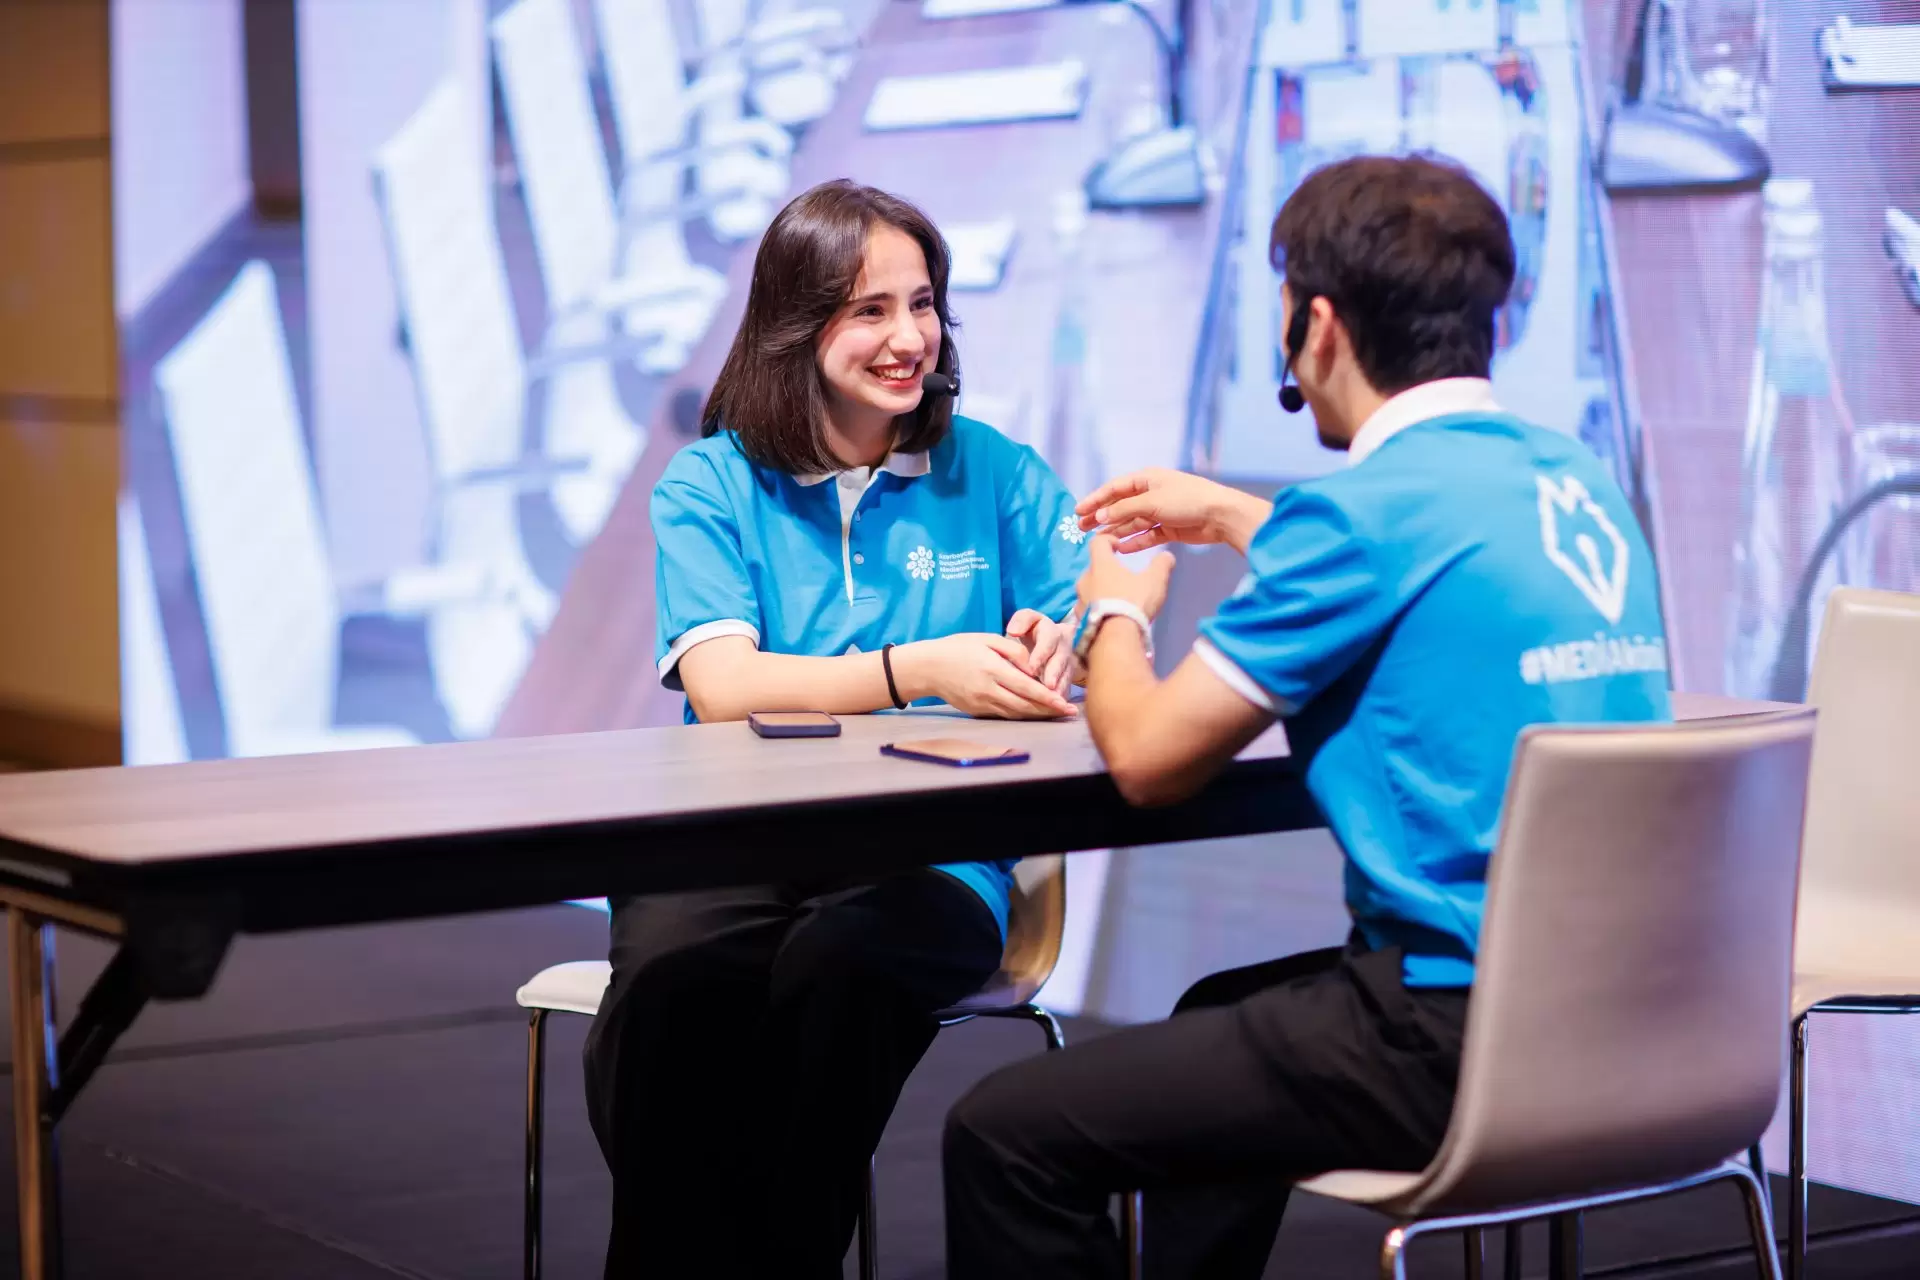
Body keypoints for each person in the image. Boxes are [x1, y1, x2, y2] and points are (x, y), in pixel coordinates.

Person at [942, 154, 1674, 1278]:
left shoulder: (1359, 520)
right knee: (1215, 1012)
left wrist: (1115, 608)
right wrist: (1239, 515)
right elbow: (1413, 556)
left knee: (1003, 1135)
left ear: (1318, 327)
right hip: (1637, 1014)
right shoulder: (1574, 478)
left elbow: (1146, 759)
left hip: (1452, 1033)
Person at [583, 179, 1091, 1279]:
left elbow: (1095, 601)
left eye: (924, 304)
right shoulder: (710, 481)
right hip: (727, 839)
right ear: (795, 325)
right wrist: (920, 669)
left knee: (844, 966)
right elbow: (725, 684)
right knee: (672, 986)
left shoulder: (996, 471)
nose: (910, 338)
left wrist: (1070, 639)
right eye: (870, 310)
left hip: (936, 851)